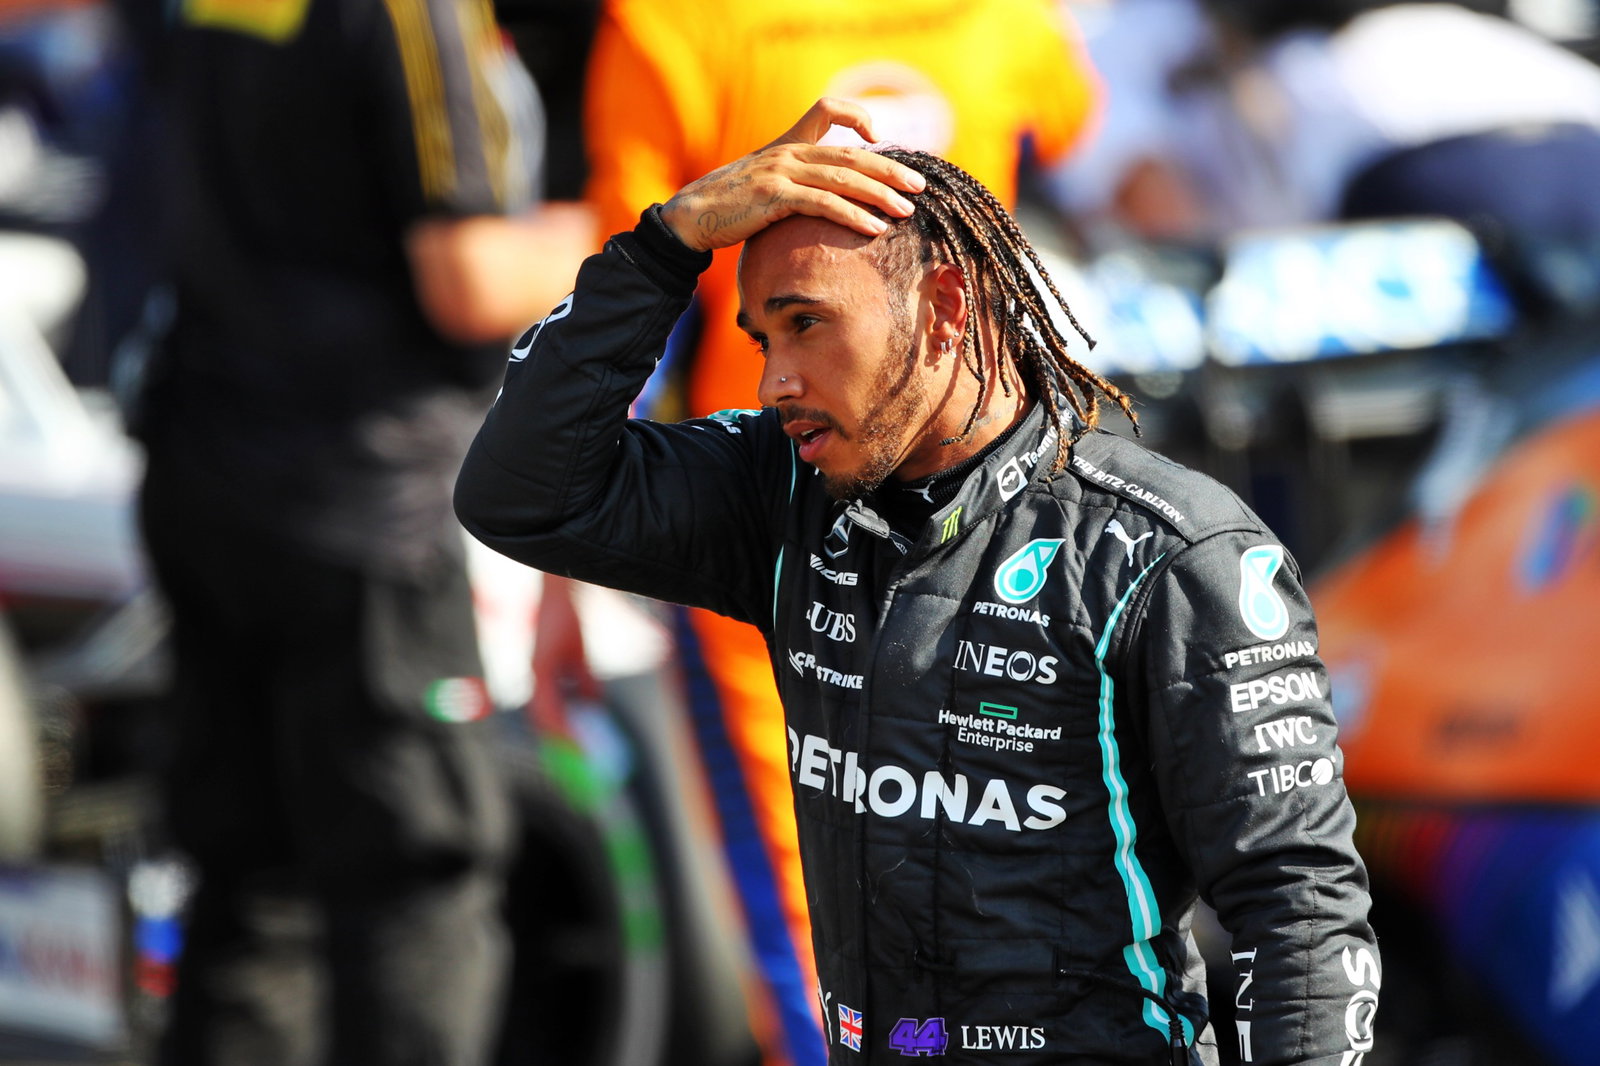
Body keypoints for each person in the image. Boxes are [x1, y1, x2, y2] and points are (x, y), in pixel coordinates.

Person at [456, 98, 1381, 1065]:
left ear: (944, 310)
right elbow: (519, 492)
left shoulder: (1170, 552)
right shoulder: (779, 494)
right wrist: (667, 244)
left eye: (806, 324)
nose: (774, 381)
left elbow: (1301, 910)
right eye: (763, 339)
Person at [576, 8, 1103, 1060]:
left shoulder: (664, 29)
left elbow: (624, 296)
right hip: (886, 528)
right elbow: (1092, 176)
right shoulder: (1001, 19)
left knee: (831, 900)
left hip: (841, 538)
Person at [131, 0, 587, 1062]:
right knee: (416, 882)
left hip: (208, 466)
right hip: (365, 504)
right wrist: (643, 226)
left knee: (249, 884)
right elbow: (470, 278)